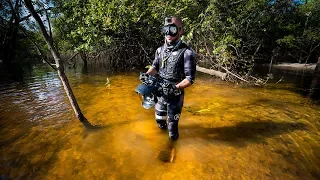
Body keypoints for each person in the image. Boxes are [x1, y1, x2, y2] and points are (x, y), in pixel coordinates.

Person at [142, 16, 196, 141]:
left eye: (172, 29)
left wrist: (175, 87)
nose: (168, 33)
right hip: (160, 93)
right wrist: (146, 75)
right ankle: (162, 142)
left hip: (175, 96)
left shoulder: (187, 53)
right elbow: (155, 66)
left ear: (180, 31)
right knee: (160, 122)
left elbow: (190, 79)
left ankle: (173, 149)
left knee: (172, 129)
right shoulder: (160, 50)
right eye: (165, 29)